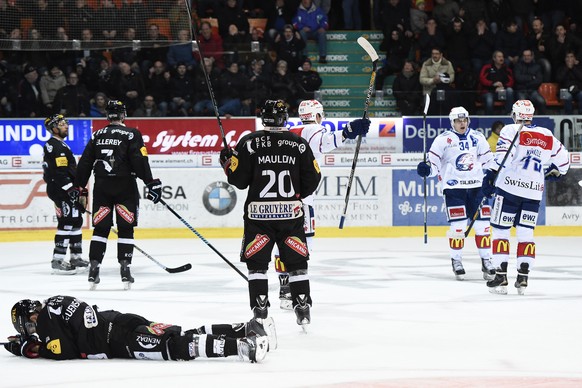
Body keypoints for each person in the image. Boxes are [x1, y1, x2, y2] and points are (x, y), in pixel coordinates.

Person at [219, 100, 322, 327]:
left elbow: (238, 180)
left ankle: (260, 307)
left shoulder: (249, 142)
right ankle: (302, 307)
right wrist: (294, 197)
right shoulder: (299, 144)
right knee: (297, 263)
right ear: (285, 118)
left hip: (258, 218)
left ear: (263, 117)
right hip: (290, 216)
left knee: (257, 265)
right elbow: (313, 179)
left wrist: (226, 162)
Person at [273, 100, 370, 309]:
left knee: (281, 243)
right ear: (317, 115)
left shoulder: (289, 129)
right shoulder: (314, 129)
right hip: (302, 201)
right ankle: (296, 289)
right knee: (302, 244)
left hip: (279, 199)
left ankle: (284, 287)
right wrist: (348, 131)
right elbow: (326, 142)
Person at [4, 296, 273, 363]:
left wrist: (30, 348)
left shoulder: (45, 321)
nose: (31, 327)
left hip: (119, 339)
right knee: (180, 334)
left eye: (28, 324)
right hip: (121, 320)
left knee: (174, 346)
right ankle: (245, 328)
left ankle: (244, 347)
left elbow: (64, 352)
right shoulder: (54, 302)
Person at [482, 100, 570, 295]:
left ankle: (501, 276)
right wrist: (555, 172)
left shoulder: (511, 130)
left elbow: (503, 156)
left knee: (500, 231)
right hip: (533, 192)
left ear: (514, 114)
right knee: (526, 234)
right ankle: (523, 277)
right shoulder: (547, 135)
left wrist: (490, 176)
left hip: (509, 189)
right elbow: (564, 163)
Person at [73, 100, 163, 290]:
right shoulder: (132, 134)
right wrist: (150, 182)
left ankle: (94, 267)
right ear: (123, 115)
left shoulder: (96, 135)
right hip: (125, 187)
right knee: (126, 228)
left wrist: (80, 188)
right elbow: (140, 160)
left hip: (102, 186)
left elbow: (85, 164)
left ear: (107, 116)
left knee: (101, 229)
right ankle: (125, 267)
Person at [416, 106, 496, 281]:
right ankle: (456, 260)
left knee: (483, 227)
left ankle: (487, 260)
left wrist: (491, 178)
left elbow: (488, 161)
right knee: (458, 228)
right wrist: (427, 170)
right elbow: (434, 164)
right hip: (454, 189)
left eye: (464, 120)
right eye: (458, 121)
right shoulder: (443, 140)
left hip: (477, 188)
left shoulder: (477, 137)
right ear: (452, 122)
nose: (462, 123)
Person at [42, 114, 90, 274]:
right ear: (54, 128)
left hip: (65, 189)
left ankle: (76, 257)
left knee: (76, 220)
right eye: (62, 124)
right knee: (67, 222)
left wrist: (74, 189)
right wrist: (71, 189)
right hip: (61, 191)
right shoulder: (56, 147)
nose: (66, 126)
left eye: (65, 123)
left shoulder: (59, 144)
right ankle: (58, 259)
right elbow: (59, 173)